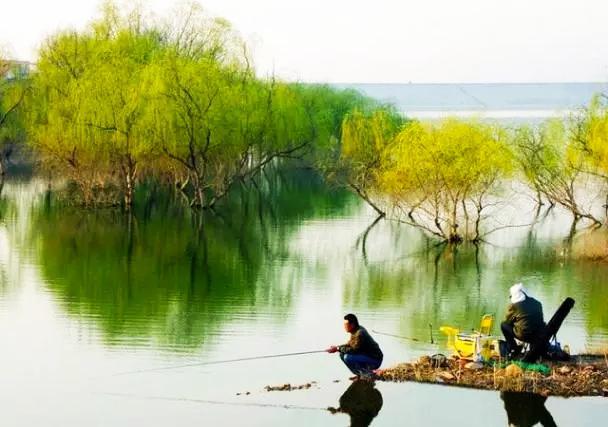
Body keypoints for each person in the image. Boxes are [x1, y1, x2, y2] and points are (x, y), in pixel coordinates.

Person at [327, 313, 383, 378]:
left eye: (346, 325)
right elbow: (349, 345)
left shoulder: (360, 333)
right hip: (367, 357)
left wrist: (338, 349)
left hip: (375, 360)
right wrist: (336, 348)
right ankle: (360, 374)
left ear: (352, 325)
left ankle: (367, 375)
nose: (344, 326)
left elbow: (353, 350)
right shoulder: (355, 330)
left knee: (348, 357)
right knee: (342, 354)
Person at [501, 283, 546, 358]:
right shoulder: (537, 303)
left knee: (504, 325)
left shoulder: (513, 306)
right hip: (538, 335)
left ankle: (513, 347)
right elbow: (540, 320)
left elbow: (508, 321)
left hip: (524, 336)